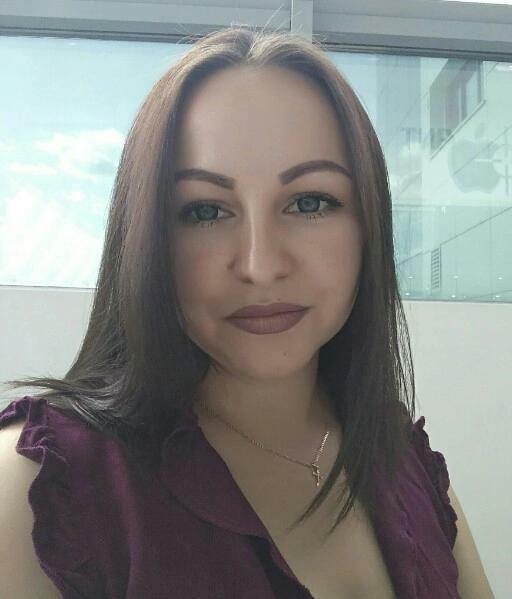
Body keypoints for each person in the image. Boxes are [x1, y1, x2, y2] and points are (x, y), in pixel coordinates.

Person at [0, 26, 494, 599]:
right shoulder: (39, 491)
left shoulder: (409, 466)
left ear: (369, 226)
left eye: (309, 202)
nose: (260, 266)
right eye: (205, 212)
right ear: (146, 239)